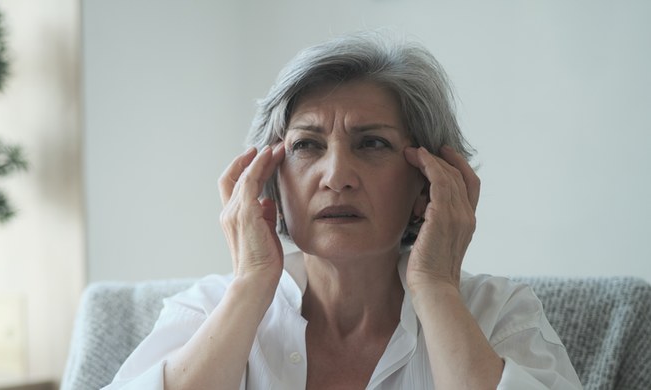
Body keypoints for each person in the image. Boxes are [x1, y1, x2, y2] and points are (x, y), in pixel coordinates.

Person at [104, 32, 582, 389]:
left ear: (428, 182)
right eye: (307, 145)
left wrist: (435, 287)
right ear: (270, 178)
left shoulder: (498, 315)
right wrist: (250, 283)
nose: (336, 175)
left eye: (371, 143)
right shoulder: (206, 311)